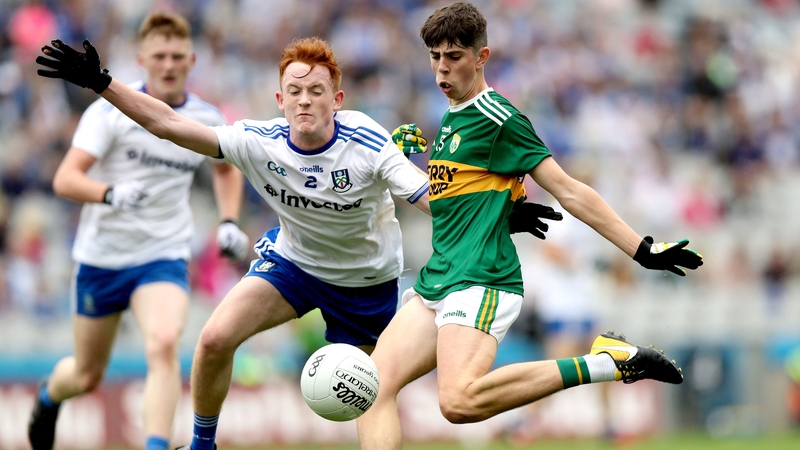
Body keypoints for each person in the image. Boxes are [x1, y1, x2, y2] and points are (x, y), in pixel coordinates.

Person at [354, 3, 705, 449]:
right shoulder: (451, 116)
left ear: (482, 57)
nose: (442, 70)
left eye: (454, 57)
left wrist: (642, 248)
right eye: (435, 57)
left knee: (457, 402)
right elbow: (445, 204)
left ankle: (605, 363)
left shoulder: (500, 118)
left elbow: (569, 189)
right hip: (438, 279)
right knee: (372, 387)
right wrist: (400, 166)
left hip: (481, 278)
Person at [26, 13, 249, 450]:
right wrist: (110, 194)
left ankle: (156, 445)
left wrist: (228, 220)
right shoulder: (108, 111)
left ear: (192, 60)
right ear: (141, 59)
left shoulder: (206, 116)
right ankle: (50, 395)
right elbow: (65, 179)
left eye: (177, 57)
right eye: (160, 56)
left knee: (164, 344)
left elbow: (227, 168)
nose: (168, 65)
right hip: (102, 256)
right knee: (87, 375)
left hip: (162, 253)